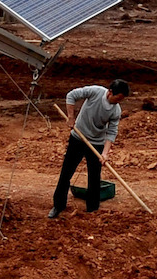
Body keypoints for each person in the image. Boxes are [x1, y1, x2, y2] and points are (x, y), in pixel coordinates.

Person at [49, 79, 129, 217]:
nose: (119, 102)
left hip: (96, 143)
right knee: (66, 173)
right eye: (118, 98)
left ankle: (92, 209)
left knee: (94, 178)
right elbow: (71, 95)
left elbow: (111, 132)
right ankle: (58, 206)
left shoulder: (116, 111)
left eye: (121, 99)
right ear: (110, 92)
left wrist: (105, 153)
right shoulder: (95, 92)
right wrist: (70, 117)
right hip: (78, 138)